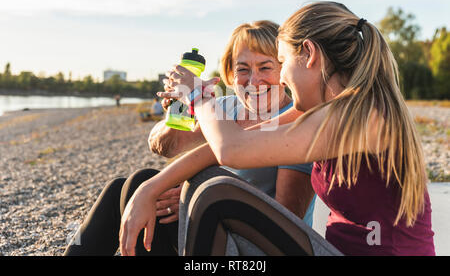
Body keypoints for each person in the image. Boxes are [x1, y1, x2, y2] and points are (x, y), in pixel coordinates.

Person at [119, 1, 435, 256]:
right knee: (171, 184)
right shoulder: (314, 112)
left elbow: (232, 150)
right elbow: (223, 148)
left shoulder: (364, 117)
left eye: (282, 62)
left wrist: (200, 96)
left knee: (216, 193)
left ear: (309, 54)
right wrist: (150, 188)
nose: (281, 78)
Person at [64, 20, 316, 256]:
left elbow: (287, 217)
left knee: (147, 191)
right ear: (230, 73)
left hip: (254, 245)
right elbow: (164, 146)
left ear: (284, 70)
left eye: (265, 67)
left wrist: (193, 200)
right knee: (125, 187)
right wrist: (176, 110)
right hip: (213, 224)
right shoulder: (225, 108)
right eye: (242, 69)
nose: (253, 80)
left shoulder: (295, 120)